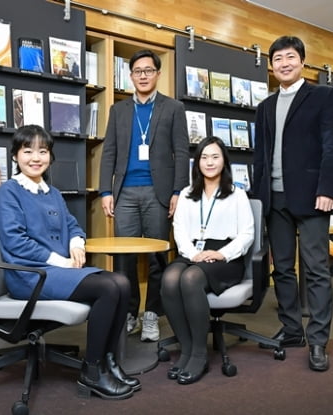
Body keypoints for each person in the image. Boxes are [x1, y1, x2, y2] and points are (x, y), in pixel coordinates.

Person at [0, 125, 140, 399]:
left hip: (55, 270)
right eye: (28, 151)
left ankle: (109, 362)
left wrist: (76, 244)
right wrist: (59, 261)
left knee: (121, 282)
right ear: (15, 156)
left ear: (50, 156)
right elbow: (15, 243)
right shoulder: (9, 192)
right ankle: (92, 371)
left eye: (43, 151)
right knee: (108, 288)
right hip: (29, 275)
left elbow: (73, 226)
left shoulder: (52, 192)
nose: (35, 157)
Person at [252, 36, 333, 372]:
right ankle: (292, 330)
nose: (284, 63)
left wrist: (328, 189)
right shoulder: (264, 107)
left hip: (312, 197)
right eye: (277, 59)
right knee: (283, 270)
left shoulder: (323, 96)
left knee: (317, 270)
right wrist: (259, 199)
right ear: (272, 67)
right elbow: (259, 158)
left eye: (290, 57)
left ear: (302, 61)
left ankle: (318, 340)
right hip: (274, 199)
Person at [99, 49, 189, 342]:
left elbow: (182, 151)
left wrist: (178, 191)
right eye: (137, 71)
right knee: (125, 258)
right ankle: (129, 313)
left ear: (157, 74)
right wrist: (105, 191)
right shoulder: (118, 110)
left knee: (156, 257)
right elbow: (109, 151)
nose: (143, 76)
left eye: (148, 70)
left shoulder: (173, 108)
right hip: (124, 191)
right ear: (131, 76)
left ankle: (152, 313)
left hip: (158, 191)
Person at [161, 136, 254, 385]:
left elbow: (247, 234)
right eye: (204, 157)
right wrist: (194, 254)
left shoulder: (237, 195)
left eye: (215, 156)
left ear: (224, 161)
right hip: (194, 252)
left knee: (190, 278)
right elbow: (179, 231)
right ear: (197, 162)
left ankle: (200, 355)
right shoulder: (187, 194)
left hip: (226, 257)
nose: (209, 162)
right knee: (170, 278)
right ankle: (188, 350)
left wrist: (222, 253)